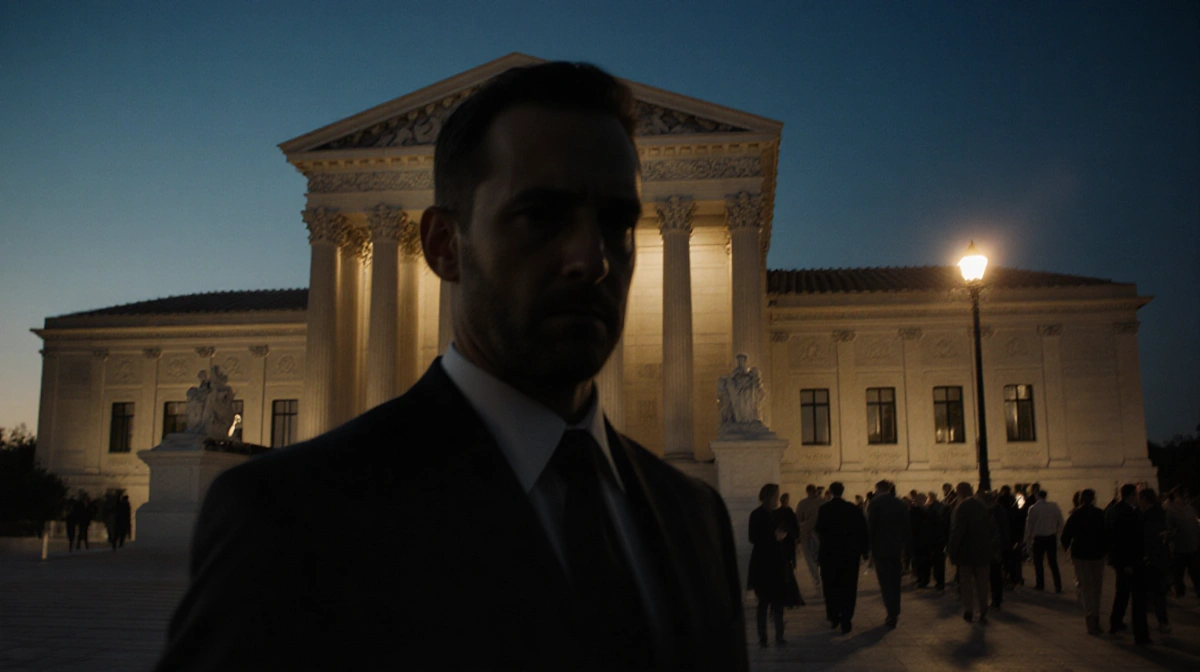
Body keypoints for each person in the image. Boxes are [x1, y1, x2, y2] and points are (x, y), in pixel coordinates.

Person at [155, 62, 748, 671]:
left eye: (619, 223)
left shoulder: (696, 523)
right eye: (542, 215)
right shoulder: (286, 523)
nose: (591, 259)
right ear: (443, 246)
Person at [815, 481, 869, 634]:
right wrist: (865, 551)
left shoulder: (824, 509)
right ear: (843, 491)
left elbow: (819, 530)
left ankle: (833, 616)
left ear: (830, 491)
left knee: (831, 586)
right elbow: (862, 531)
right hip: (849, 555)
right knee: (848, 587)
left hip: (829, 554)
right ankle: (846, 619)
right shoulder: (853, 509)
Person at [1061, 488, 1109, 635]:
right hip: (1097, 555)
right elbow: (1107, 534)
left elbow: (1065, 537)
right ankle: (1095, 617)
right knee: (1096, 588)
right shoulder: (1100, 514)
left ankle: (1091, 619)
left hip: (1081, 556)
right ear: (1093, 499)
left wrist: (1069, 551)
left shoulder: (1076, 515)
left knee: (1086, 588)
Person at [1107, 483, 1150, 644]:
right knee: (1138, 599)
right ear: (1132, 495)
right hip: (1130, 562)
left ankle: (1115, 624)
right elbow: (1123, 540)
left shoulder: (1117, 510)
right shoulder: (1126, 513)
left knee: (1122, 595)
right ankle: (1141, 634)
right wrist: (1128, 563)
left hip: (1124, 562)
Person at [748, 484, 789, 647]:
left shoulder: (777, 515)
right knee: (763, 602)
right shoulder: (756, 514)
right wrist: (774, 537)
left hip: (777, 562)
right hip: (763, 563)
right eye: (776, 495)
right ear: (768, 496)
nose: (778, 499)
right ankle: (763, 637)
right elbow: (753, 537)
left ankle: (779, 635)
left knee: (778, 602)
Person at [867, 479, 912, 628]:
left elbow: (871, 527)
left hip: (880, 549)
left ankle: (891, 613)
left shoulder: (874, 503)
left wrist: (869, 550)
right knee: (895, 581)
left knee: (885, 583)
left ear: (878, 488)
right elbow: (907, 527)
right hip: (896, 548)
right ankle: (895, 611)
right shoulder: (900, 503)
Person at [949, 482, 994, 624]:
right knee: (982, 583)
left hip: (966, 552)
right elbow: (991, 529)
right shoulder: (982, 506)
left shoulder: (962, 507)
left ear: (959, 492)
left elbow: (958, 531)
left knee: (966, 583)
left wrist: (952, 550)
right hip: (983, 552)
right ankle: (983, 609)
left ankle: (969, 610)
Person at [1138, 488, 1171, 634]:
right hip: (1160, 558)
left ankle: (1145, 625)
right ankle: (1162, 622)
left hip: (1150, 559)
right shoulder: (1161, 513)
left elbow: (1147, 539)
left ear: (1145, 499)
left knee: (1150, 593)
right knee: (1159, 593)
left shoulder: (1146, 516)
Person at [1024, 489, 1064, 593]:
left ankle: (1040, 584)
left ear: (1037, 496)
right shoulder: (1054, 506)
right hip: (1051, 537)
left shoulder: (1033, 508)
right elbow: (1060, 521)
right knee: (1053, 562)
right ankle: (1058, 585)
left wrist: (1027, 539)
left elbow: (1030, 525)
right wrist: (1057, 532)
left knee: (1038, 562)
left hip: (1039, 538)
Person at [1166, 489, 1200, 598]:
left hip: (1180, 547)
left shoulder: (1171, 510)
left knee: (1178, 573)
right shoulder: (1190, 509)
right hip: (1193, 546)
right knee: (1195, 572)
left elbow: (1169, 529)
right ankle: (1198, 591)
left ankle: (1180, 592)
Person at [773, 492, 804, 609]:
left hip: (779, 544)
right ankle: (790, 596)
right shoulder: (789, 512)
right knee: (788, 570)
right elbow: (795, 529)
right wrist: (796, 539)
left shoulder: (776, 513)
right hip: (788, 545)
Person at [796, 484, 823, 587]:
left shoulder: (803, 503)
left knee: (809, 557)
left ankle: (816, 578)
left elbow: (798, 519)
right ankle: (818, 576)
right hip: (818, 533)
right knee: (817, 556)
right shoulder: (820, 502)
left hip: (806, 533)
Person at [909, 492, 933, 588]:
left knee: (920, 560)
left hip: (919, 539)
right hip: (922, 539)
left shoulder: (914, 511)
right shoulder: (923, 510)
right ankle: (923, 578)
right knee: (922, 560)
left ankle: (922, 578)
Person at [927, 491, 949, 590]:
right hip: (941, 538)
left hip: (934, 538)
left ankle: (938, 581)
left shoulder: (931, 509)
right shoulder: (942, 507)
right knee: (940, 561)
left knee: (936, 561)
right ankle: (941, 581)